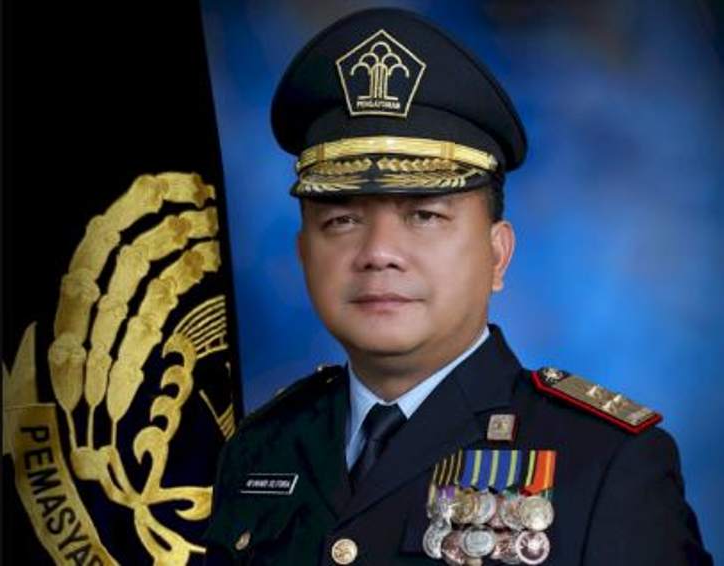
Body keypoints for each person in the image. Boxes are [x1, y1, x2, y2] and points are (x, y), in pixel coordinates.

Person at [204, 8, 711, 565]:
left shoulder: (609, 464)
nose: (378, 253)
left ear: (498, 254)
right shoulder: (258, 451)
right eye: (342, 220)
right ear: (304, 254)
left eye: (424, 216)